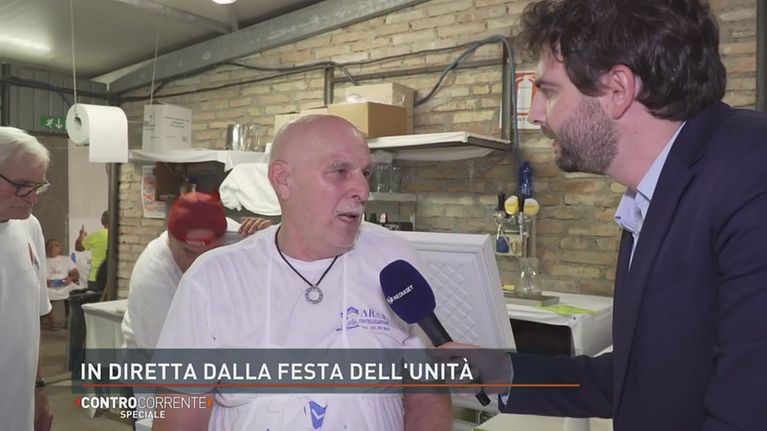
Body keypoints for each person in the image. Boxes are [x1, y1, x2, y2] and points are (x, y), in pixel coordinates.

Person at [440, 1, 767, 430]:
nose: (535, 114)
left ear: (617, 89)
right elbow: (638, 378)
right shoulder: (654, 194)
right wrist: (501, 373)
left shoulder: (752, 174)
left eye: (549, 92)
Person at [152, 115, 452, 430]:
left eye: (365, 173)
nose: (363, 190)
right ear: (283, 180)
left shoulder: (395, 261)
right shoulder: (213, 279)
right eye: (340, 171)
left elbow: (428, 397)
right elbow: (179, 417)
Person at [121, 192, 272, 351]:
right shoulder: (153, 278)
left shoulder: (237, 237)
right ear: (170, 238)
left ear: (224, 239)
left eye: (211, 251)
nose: (200, 262)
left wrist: (270, 242)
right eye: (190, 252)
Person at [0, 127, 54, 430]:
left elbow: (31, 323)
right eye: (21, 185)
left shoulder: (29, 227)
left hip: (18, 407)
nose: (32, 198)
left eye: (37, 186)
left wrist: (39, 389)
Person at [44, 238, 81, 329]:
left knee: (76, 293)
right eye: (50, 245)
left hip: (65, 285)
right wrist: (44, 281)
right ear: (46, 248)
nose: (53, 247)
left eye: (56, 245)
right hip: (47, 286)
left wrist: (70, 278)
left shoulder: (66, 259)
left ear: (60, 248)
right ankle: (53, 321)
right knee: (39, 295)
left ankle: (69, 320)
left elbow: (76, 274)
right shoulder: (41, 260)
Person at [75, 210, 109, 290]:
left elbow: (78, 247)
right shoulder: (120, 234)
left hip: (96, 277)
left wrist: (81, 235)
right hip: (114, 277)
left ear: (102, 221)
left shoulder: (97, 235)